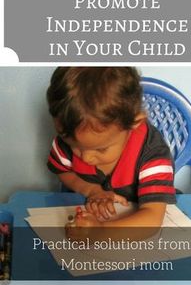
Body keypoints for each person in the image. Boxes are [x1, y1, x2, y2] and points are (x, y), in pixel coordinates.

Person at [47, 67, 176, 239]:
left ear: (134, 123)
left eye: (101, 149)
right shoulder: (68, 138)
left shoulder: (152, 153)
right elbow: (62, 170)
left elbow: (152, 217)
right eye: (75, 146)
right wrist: (93, 191)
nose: (86, 157)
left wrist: (102, 232)